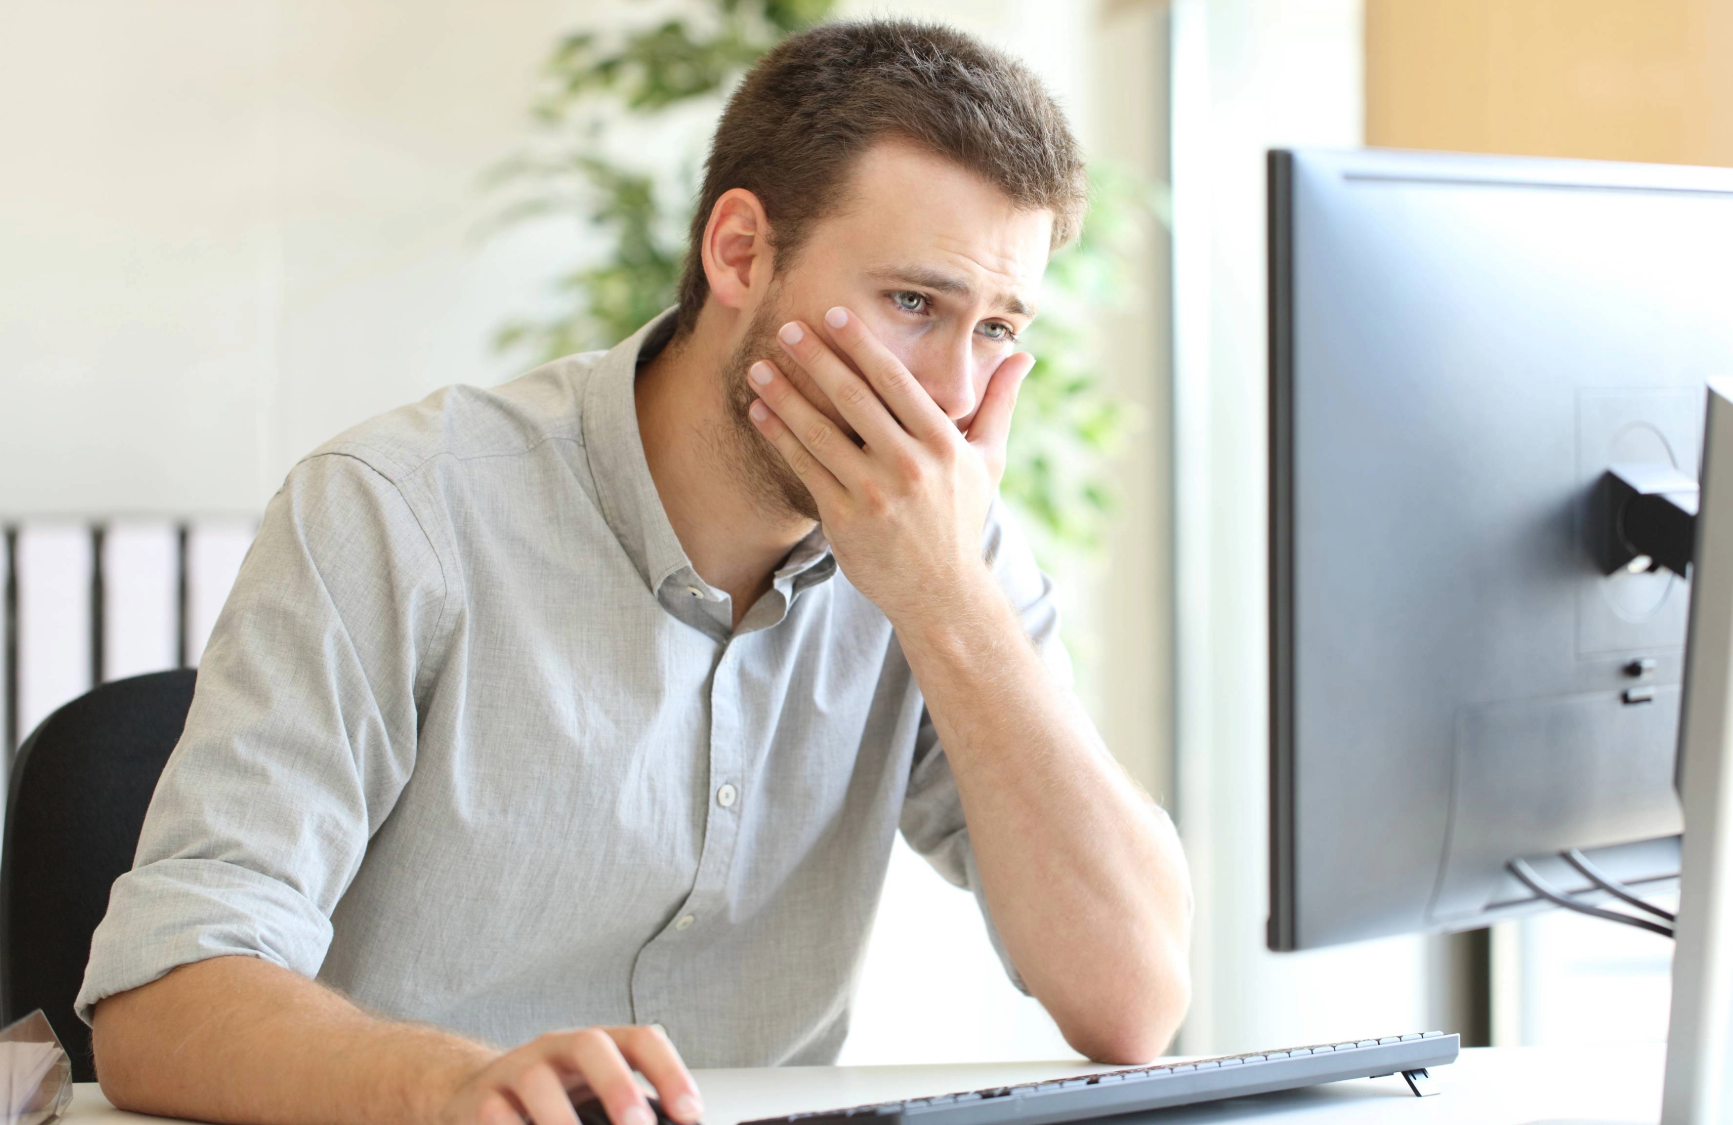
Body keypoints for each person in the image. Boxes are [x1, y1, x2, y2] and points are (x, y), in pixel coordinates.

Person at [79, 18, 1193, 1125]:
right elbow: (162, 1000)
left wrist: (951, 600)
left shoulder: (945, 551)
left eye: (998, 328)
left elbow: (1131, 1003)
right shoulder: (400, 507)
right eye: (915, 304)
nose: (952, 398)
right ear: (740, 253)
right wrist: (453, 1085)